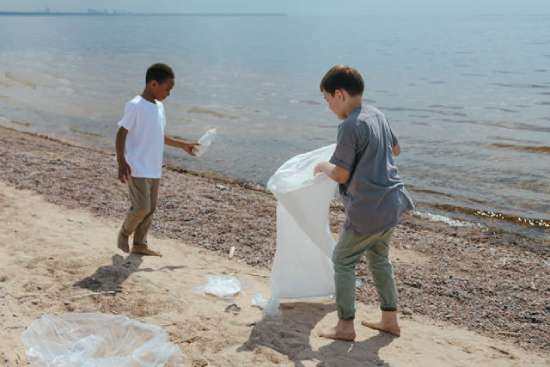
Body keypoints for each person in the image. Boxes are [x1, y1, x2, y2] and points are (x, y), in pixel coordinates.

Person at [314, 65, 414, 341]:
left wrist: (323, 166)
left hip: (368, 210)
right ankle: (390, 320)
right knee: (379, 259)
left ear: (340, 94)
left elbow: (341, 173)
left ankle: (345, 326)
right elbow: (395, 149)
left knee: (343, 260)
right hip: (392, 202)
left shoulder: (349, 126)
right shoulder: (376, 114)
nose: (328, 106)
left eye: (327, 99)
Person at [115, 63, 198, 257]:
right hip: (136, 165)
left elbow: (159, 135)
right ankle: (124, 233)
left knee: (150, 209)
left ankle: (139, 244)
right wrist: (121, 161)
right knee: (141, 207)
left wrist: (183, 145)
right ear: (153, 84)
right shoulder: (135, 105)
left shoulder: (159, 107)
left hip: (153, 167)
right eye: (167, 88)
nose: (168, 93)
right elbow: (121, 133)